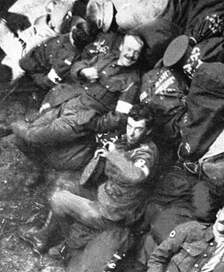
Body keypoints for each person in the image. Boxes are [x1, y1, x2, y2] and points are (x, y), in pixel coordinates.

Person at [19, 104, 160, 256]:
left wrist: (114, 155)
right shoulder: (126, 142)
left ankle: (68, 244)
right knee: (63, 181)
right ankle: (43, 236)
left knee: (57, 199)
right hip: (107, 196)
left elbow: (137, 175)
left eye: (138, 129)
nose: (131, 133)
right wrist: (103, 154)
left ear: (148, 131)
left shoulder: (147, 153)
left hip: (114, 214)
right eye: (129, 126)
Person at [10, 33, 145, 183]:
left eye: (136, 52)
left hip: (81, 117)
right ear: (121, 47)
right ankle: (37, 167)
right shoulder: (105, 58)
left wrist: (94, 123)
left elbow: (120, 117)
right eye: (129, 49)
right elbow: (77, 65)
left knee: (33, 135)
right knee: (23, 138)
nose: (131, 55)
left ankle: (10, 126)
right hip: (66, 100)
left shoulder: (132, 81)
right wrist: (82, 72)